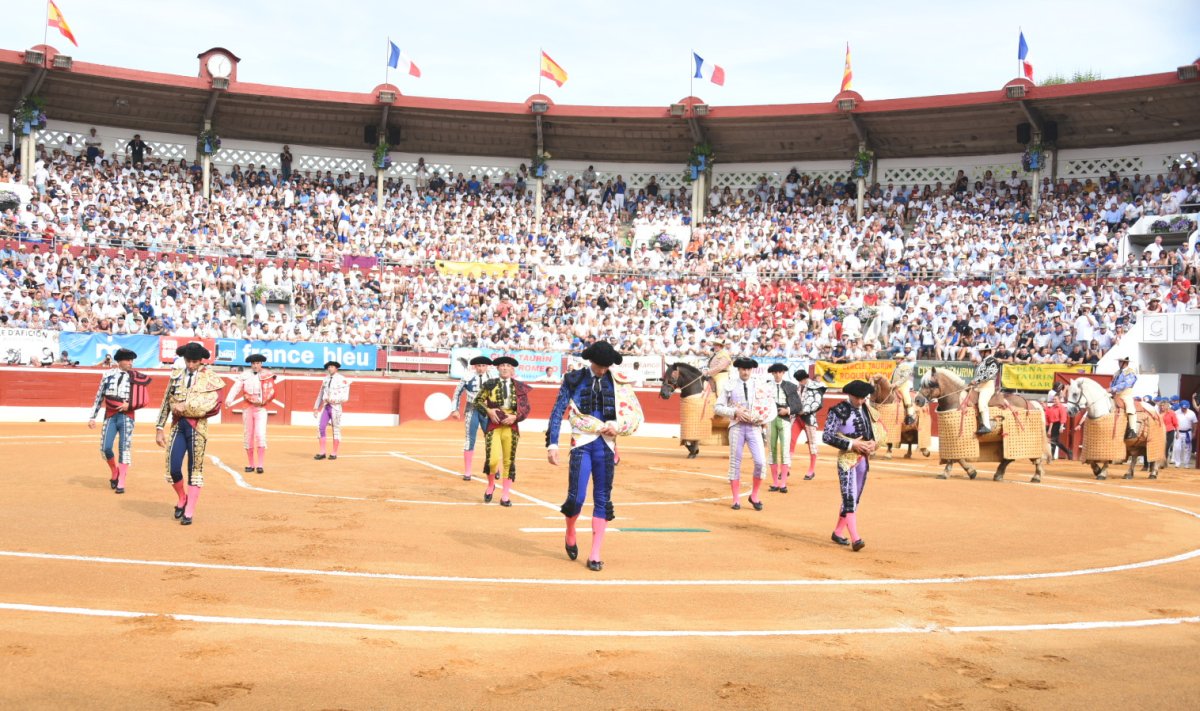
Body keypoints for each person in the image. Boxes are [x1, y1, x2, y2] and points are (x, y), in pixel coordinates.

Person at [545, 341, 643, 571]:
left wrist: (617, 426)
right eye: (600, 366)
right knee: (576, 497)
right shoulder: (574, 379)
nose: (602, 370)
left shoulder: (618, 380)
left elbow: (635, 414)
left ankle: (595, 554)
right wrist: (552, 444)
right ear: (591, 362)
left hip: (606, 446)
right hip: (581, 443)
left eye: (606, 366)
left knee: (602, 498)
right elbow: (558, 411)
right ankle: (570, 530)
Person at [154, 343, 223, 526]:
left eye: (194, 362)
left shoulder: (210, 378)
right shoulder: (176, 376)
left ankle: (189, 511)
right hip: (178, 426)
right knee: (173, 468)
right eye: (188, 361)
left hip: (198, 428)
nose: (191, 365)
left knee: (195, 470)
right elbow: (166, 402)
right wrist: (159, 428)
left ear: (201, 361)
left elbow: (214, 403)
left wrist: (187, 407)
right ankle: (182, 497)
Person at [822, 379, 880, 552]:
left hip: (863, 459)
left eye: (864, 398)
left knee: (854, 498)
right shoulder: (838, 411)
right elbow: (826, 436)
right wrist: (851, 444)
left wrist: (873, 444)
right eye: (858, 398)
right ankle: (856, 538)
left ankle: (838, 532)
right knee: (849, 497)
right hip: (847, 459)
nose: (861, 401)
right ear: (850, 395)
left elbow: (873, 431)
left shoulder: (865, 408)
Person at [714, 358, 775, 511]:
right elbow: (718, 408)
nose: (745, 372)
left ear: (752, 370)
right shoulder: (730, 385)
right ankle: (736, 499)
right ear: (738, 369)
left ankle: (754, 495)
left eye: (748, 369)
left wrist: (762, 418)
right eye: (742, 369)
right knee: (735, 462)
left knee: (761, 462)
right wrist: (734, 412)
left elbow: (769, 406)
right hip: (737, 427)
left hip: (754, 427)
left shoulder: (760, 386)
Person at [472, 355, 531, 506]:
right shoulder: (490, 384)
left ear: (512, 369)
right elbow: (477, 401)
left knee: (508, 461)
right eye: (502, 365)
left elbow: (525, 408)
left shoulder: (519, 386)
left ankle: (505, 496)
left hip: (511, 427)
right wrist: (489, 411)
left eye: (508, 366)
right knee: (492, 460)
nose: (505, 368)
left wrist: (515, 417)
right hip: (494, 426)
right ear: (498, 368)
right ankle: (491, 485)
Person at [87, 348, 140, 494]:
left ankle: (121, 481)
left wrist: (130, 405)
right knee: (105, 448)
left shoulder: (136, 376)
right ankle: (115, 471)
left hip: (127, 416)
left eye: (132, 360)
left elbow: (140, 398)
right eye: (128, 360)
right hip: (110, 415)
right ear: (119, 361)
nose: (131, 363)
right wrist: (93, 416)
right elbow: (99, 396)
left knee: (124, 449)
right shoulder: (107, 375)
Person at [225, 353, 275, 474]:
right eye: (253, 363)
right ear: (251, 364)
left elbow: (271, 391)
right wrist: (229, 399)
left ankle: (260, 465)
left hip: (261, 408)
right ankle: (251, 464)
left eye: (257, 363)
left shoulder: (267, 375)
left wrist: (263, 401)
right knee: (248, 435)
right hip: (248, 407)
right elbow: (236, 388)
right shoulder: (245, 375)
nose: (255, 365)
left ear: (261, 364)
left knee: (260, 434)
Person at [450, 356, 493, 481]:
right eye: (478, 366)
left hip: (487, 410)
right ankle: (468, 471)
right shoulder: (467, 376)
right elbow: (457, 392)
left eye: (483, 366)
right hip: (471, 409)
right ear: (475, 366)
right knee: (470, 439)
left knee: (491, 439)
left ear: (487, 366)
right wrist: (455, 409)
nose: (481, 368)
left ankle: (494, 467)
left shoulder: (493, 378)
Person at [764, 363, 802, 493]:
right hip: (770, 419)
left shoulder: (791, 386)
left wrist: (788, 410)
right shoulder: (766, 386)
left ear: (783, 373)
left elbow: (798, 406)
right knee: (772, 450)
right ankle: (775, 483)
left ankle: (783, 484)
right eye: (775, 372)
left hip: (784, 419)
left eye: (779, 372)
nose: (777, 374)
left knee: (785, 450)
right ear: (772, 373)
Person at [790, 369, 825, 481]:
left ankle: (811, 470)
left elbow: (818, 403)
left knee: (812, 444)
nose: (801, 382)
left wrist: (804, 411)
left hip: (809, 418)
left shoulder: (816, 387)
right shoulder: (798, 387)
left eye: (802, 380)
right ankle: (787, 467)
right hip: (797, 418)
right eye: (799, 381)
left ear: (806, 378)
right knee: (790, 440)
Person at [314, 360, 351, 460]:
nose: (330, 368)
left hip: (336, 407)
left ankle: (334, 453)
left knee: (336, 430)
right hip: (326, 407)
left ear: (336, 368)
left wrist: (334, 400)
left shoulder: (343, 380)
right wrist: (316, 407)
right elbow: (320, 394)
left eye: (332, 367)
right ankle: (322, 452)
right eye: (328, 367)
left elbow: (345, 397)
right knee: (321, 427)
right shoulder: (325, 379)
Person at [969, 343, 1001, 435]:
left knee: (982, 403)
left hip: (987, 387)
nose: (979, 353)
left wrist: (976, 380)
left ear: (986, 352)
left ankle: (987, 426)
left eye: (981, 352)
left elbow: (989, 375)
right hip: (979, 387)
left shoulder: (993, 361)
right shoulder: (984, 361)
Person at [1109, 356, 1138, 440]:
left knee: (1130, 407)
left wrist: (1113, 388)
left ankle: (1133, 430)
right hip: (1115, 394)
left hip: (1126, 394)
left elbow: (1126, 384)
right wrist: (1111, 389)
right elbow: (1112, 383)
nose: (1119, 363)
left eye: (1121, 362)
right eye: (1119, 362)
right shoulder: (1117, 372)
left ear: (1126, 363)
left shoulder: (1131, 372)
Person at [891, 353, 918, 426]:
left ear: (901, 359)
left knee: (906, 397)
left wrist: (896, 384)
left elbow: (904, 378)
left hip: (903, 386)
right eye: (896, 358)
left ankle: (910, 415)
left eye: (897, 358)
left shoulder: (905, 367)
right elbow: (893, 378)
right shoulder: (896, 367)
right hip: (894, 387)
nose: (896, 360)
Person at [1174, 401, 1196, 469]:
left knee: (1187, 448)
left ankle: (1186, 464)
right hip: (1178, 432)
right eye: (1183, 408)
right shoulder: (1176, 412)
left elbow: (1195, 423)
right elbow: (1174, 422)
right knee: (1177, 448)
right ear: (1180, 407)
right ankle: (1177, 463)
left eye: (1185, 408)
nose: (1184, 409)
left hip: (1188, 432)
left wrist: (1194, 432)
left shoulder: (1191, 413)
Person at [1159, 398, 1178, 468]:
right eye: (1161, 406)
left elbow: (1176, 423)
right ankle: (1162, 462)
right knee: (1161, 447)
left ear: (1166, 406)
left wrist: (1178, 432)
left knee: (1166, 447)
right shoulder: (1159, 413)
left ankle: (1164, 462)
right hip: (1161, 432)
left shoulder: (1171, 413)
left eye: (1163, 406)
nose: (1162, 407)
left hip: (1170, 431)